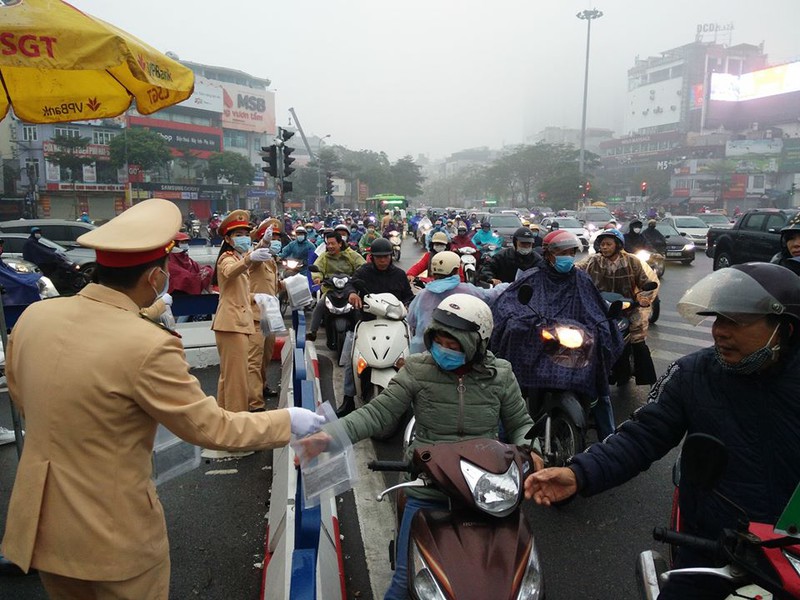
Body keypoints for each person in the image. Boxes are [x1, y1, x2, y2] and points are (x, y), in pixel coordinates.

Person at [0, 198, 324, 597]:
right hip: (111, 536)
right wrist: (287, 421)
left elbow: (21, 397)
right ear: (155, 277)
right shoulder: (147, 344)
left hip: (39, 529)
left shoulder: (35, 317)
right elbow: (211, 426)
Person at [526, 262, 800, 600]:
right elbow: (642, 435)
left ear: (785, 328)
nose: (720, 332)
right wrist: (579, 473)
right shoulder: (692, 374)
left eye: (737, 321)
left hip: (792, 555)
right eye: (718, 319)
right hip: (717, 547)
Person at [297, 294, 541, 600]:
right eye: (439, 341)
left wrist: (532, 451)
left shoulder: (500, 374)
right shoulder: (417, 369)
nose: (444, 350)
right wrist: (329, 437)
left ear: (478, 343)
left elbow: (521, 422)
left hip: (487, 490)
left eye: (454, 344)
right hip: (429, 490)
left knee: (512, 580)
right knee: (404, 583)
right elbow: (378, 412)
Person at [490, 231, 624, 440]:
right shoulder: (532, 277)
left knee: (601, 389)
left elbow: (596, 308)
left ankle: (610, 441)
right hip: (540, 344)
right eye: (562, 252)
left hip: (577, 344)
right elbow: (509, 305)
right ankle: (501, 441)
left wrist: (602, 326)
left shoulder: (581, 279)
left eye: (571, 252)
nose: (567, 256)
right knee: (508, 394)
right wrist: (522, 322)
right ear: (548, 254)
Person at [335, 237, 414, 417]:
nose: (383, 260)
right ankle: (348, 399)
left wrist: (409, 305)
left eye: (386, 256)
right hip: (366, 321)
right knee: (350, 359)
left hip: (394, 324)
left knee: (411, 354)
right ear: (372, 257)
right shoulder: (363, 272)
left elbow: (408, 296)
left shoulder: (400, 275)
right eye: (379, 257)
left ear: (391, 256)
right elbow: (350, 284)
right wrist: (352, 293)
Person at [576, 228, 659, 386]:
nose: (604, 247)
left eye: (608, 244)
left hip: (629, 308)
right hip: (600, 307)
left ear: (618, 245)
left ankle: (648, 380)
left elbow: (645, 282)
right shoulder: (593, 260)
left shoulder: (631, 261)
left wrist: (643, 298)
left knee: (638, 338)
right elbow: (578, 268)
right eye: (602, 244)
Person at [211, 210, 274, 413]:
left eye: (246, 234)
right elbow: (231, 271)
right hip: (231, 324)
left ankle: (225, 417)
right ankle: (237, 423)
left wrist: (264, 243)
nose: (244, 238)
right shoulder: (226, 259)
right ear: (228, 239)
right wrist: (249, 259)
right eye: (238, 235)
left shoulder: (240, 256)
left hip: (238, 323)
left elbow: (241, 287)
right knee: (235, 379)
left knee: (229, 377)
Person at [407, 251, 508, 354]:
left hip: (420, 352)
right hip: (456, 353)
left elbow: (411, 321)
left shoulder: (422, 295)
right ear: (456, 270)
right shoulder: (467, 290)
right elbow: (490, 296)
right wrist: (508, 285)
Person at [307, 230, 366, 342]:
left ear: (340, 243)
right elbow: (317, 267)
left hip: (350, 289)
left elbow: (362, 266)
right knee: (320, 305)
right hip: (330, 288)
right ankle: (313, 332)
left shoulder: (351, 254)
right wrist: (317, 278)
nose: (330, 246)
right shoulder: (324, 257)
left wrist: (358, 277)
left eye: (333, 243)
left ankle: (362, 332)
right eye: (328, 244)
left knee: (359, 308)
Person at [248, 220, 282, 407]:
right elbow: (252, 260)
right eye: (272, 237)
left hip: (270, 314)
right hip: (254, 313)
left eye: (277, 237)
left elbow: (273, 285)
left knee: (266, 355)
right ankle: (254, 401)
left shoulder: (271, 259)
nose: (276, 241)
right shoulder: (257, 256)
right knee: (254, 358)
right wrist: (265, 242)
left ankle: (263, 385)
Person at [480, 227, 544, 285]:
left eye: (528, 244)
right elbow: (487, 268)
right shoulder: (502, 256)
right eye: (523, 243)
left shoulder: (537, 259)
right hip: (503, 292)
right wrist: (491, 279)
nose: (526, 246)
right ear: (515, 242)